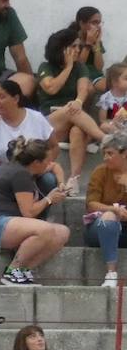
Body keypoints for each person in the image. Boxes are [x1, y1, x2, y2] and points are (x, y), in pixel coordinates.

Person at [0, 137, 70, 286]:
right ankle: (12, 271)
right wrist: (49, 199)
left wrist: (61, 183)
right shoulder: (20, 174)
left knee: (62, 233)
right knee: (45, 229)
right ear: (36, 163)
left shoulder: (28, 168)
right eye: (46, 161)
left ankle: (25, 269)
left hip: (10, 224)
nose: (48, 164)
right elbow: (29, 213)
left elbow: (54, 166)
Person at [35, 28, 107, 190]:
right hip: (51, 123)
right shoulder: (45, 66)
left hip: (75, 115)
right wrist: (67, 67)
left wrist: (79, 101)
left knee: (77, 131)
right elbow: (51, 88)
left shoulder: (80, 67)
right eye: (73, 46)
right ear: (61, 48)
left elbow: (83, 89)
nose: (78, 50)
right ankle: (107, 140)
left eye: (79, 46)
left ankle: (73, 180)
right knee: (69, 110)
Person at [0, 80, 62, 192]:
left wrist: (43, 165)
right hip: (4, 170)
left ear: (16, 99)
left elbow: (54, 146)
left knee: (49, 180)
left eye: (1, 97)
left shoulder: (36, 117)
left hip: (33, 171)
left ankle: (41, 208)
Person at [85, 131, 127, 288]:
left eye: (110, 153)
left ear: (124, 153)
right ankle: (111, 273)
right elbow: (91, 204)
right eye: (104, 154)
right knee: (109, 216)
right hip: (100, 227)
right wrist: (114, 210)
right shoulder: (100, 172)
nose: (105, 158)